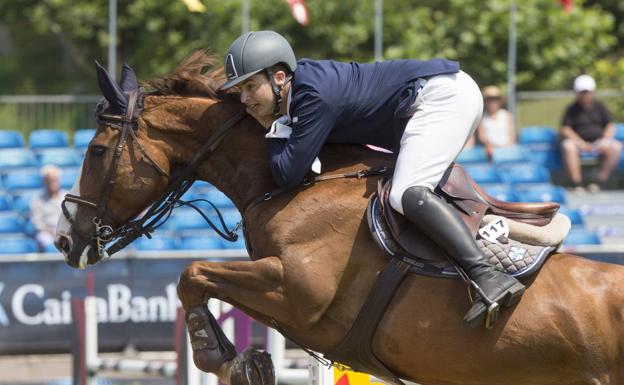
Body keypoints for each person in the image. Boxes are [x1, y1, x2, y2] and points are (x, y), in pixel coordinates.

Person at [221, 30, 525, 328]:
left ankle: (488, 276)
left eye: (250, 86)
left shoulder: (313, 96)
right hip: (432, 98)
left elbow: (286, 174)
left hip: (442, 98)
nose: (245, 99)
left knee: (405, 193)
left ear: (278, 78)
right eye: (240, 90)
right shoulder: (302, 92)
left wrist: (272, 128)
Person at [560, 74, 622, 191]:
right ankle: (577, 183)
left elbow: (610, 125)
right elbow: (566, 129)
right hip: (579, 144)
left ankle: (598, 182)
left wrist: (605, 140)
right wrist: (580, 143)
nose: (585, 95)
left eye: (587, 92)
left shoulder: (600, 107)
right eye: (582, 92)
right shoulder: (571, 109)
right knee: (568, 146)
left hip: (599, 142)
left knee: (616, 147)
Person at [31, 165, 66, 251]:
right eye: (49, 181)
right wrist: (50, 230)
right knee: (43, 239)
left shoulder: (67, 197)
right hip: (47, 233)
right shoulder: (37, 200)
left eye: (54, 180)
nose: (52, 183)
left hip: (65, 231)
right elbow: (37, 222)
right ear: (44, 182)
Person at [477, 85, 515, 158]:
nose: (492, 102)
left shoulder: (508, 116)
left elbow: (512, 137)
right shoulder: (481, 118)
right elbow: (482, 137)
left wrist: (505, 148)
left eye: (495, 99)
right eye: (489, 99)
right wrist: (489, 145)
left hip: (508, 152)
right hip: (489, 154)